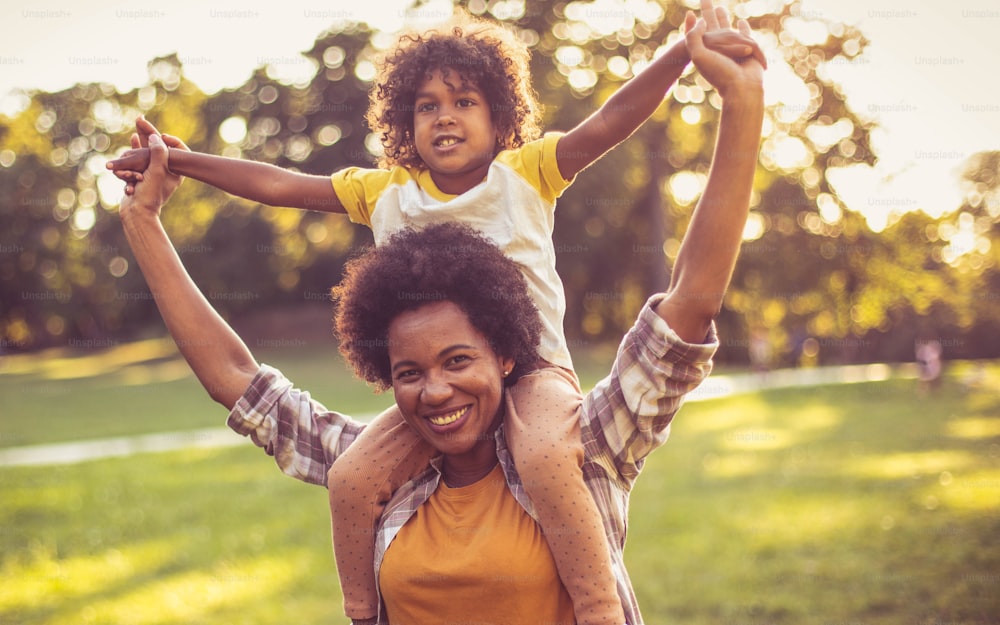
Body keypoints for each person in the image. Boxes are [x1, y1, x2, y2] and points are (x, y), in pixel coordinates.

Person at [108, 3, 765, 623]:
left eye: (463, 102)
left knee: (541, 453)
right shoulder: (385, 195)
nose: (444, 118)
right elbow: (246, 351)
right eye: (427, 106)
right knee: (349, 475)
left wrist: (695, 63)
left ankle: (600, 610)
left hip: (541, 380)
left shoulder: (582, 446)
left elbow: (626, 158)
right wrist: (170, 180)